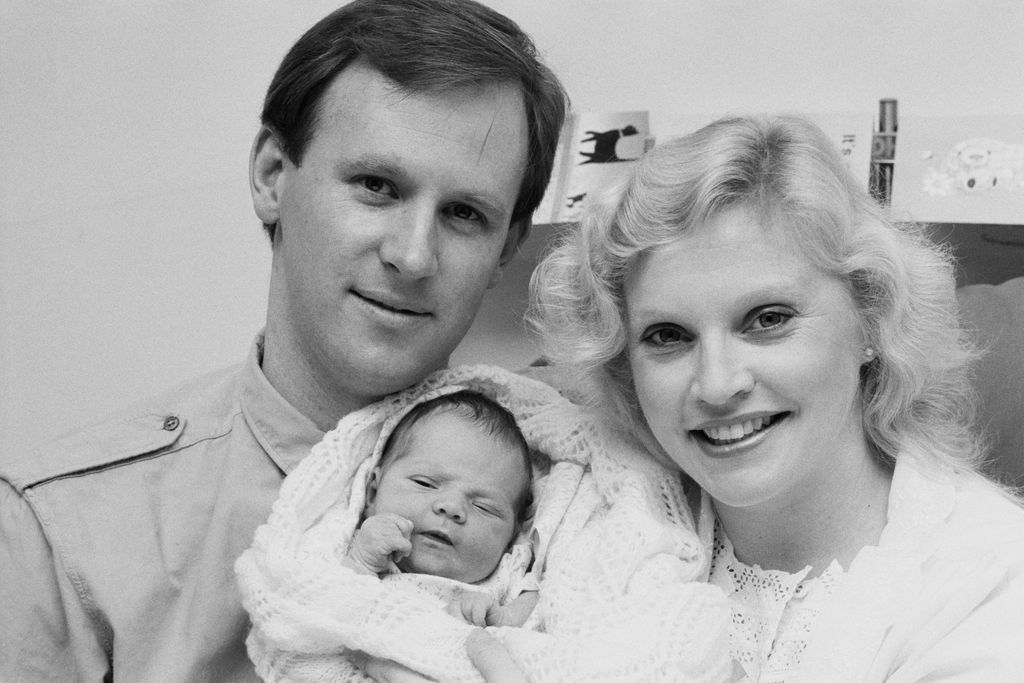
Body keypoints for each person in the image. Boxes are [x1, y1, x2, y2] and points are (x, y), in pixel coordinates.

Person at [0, 1, 568, 680]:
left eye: (465, 214)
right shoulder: (67, 532)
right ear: (273, 175)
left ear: (506, 246)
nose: (414, 256)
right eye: (377, 185)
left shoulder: (586, 495)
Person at [530, 114, 1024, 681]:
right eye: (668, 336)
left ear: (871, 320)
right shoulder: (583, 523)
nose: (717, 385)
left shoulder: (991, 583)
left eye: (767, 320)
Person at [344, 390, 539, 628]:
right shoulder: (349, 545)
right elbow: (313, 608)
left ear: (512, 536)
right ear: (372, 493)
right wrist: (360, 563)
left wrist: (503, 620)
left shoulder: (509, 577)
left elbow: (545, 609)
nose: (451, 507)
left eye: (483, 507)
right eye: (425, 483)